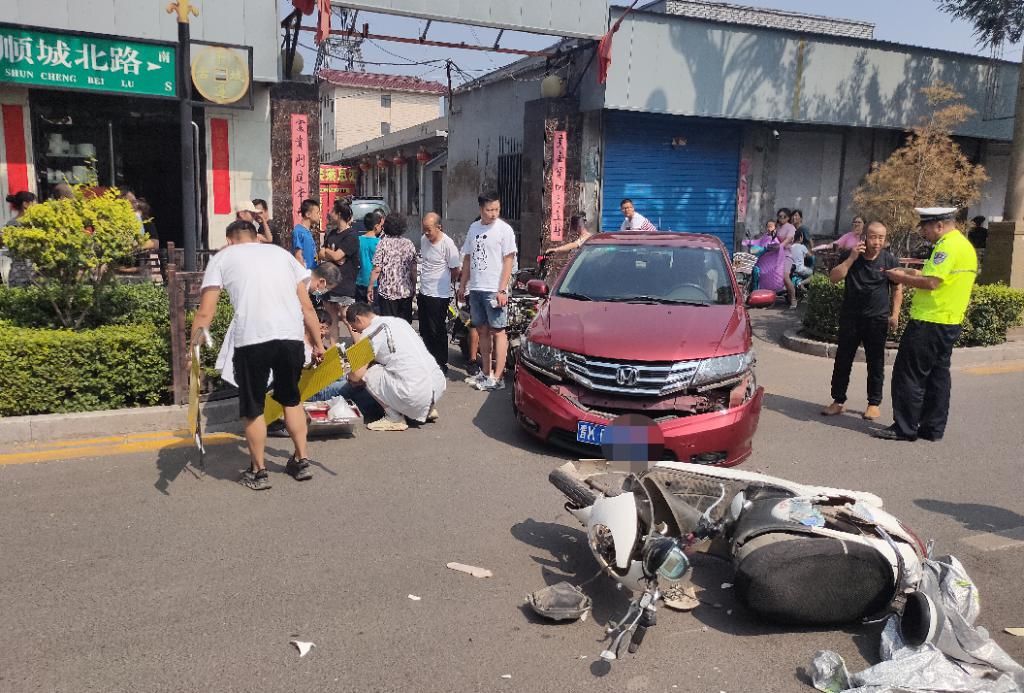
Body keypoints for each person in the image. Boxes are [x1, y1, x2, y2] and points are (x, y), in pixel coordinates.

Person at [191, 219, 325, 490]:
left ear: (230, 240)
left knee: (253, 407)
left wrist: (192, 350)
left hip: (252, 339)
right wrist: (319, 344)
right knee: (291, 399)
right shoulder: (282, 254)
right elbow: (307, 307)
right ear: (256, 237)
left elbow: (206, 312)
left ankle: (258, 471)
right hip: (290, 337)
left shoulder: (223, 257)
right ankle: (302, 461)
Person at [873, 207, 978, 442]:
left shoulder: (946, 247)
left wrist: (899, 278)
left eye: (926, 228)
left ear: (939, 225)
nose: (923, 233)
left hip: (929, 321)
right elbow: (937, 276)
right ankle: (932, 428)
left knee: (909, 374)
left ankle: (905, 427)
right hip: (949, 322)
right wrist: (910, 271)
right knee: (937, 376)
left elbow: (931, 283)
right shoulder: (962, 245)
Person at [821, 221, 904, 421]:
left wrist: (895, 315)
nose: (877, 242)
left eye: (881, 238)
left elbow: (897, 288)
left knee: (876, 362)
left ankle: (873, 403)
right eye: (873, 237)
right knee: (843, 360)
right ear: (865, 237)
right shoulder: (850, 256)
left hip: (877, 319)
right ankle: (838, 401)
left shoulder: (889, 260)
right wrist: (851, 258)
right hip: (851, 318)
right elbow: (834, 278)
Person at [340, 302, 446, 431]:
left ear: (358, 319)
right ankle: (426, 409)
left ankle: (394, 418)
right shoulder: (398, 322)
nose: (357, 331)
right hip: (437, 387)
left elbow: (357, 375)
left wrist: (349, 377)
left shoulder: (370, 333)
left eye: (355, 328)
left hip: (414, 392)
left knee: (369, 372)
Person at [458, 192, 518, 392]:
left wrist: (502, 289)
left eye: (496, 209)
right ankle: (486, 373)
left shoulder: (504, 230)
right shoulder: (473, 228)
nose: (493, 213)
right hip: (476, 288)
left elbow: (508, 261)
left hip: (494, 289)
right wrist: (463, 285)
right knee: (482, 330)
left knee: (498, 331)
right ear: (481, 209)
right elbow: (468, 258)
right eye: (489, 210)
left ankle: (498, 377)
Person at [417, 212, 462, 373]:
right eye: (424, 229)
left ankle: (441, 362)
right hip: (424, 291)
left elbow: (455, 270)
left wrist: (447, 284)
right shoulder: (424, 240)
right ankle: (428, 360)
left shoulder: (448, 244)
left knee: (437, 329)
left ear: (439, 227)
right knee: (425, 329)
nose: (426, 233)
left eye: (429, 229)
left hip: (439, 295)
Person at [368, 213, 417, 322]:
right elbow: (413, 269)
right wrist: (413, 286)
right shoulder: (409, 244)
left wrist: (370, 287)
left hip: (387, 292)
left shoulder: (382, 243)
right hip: (405, 291)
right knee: (404, 326)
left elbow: (377, 269)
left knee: (389, 325)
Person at [320, 200, 361, 324]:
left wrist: (330, 253)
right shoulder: (332, 233)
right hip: (329, 284)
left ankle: (361, 337)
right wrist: (331, 254)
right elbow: (321, 253)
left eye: (332, 211)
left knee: (346, 317)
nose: (330, 213)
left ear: (339, 214)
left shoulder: (351, 236)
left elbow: (337, 256)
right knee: (331, 319)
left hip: (344, 284)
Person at [356, 211, 384, 304]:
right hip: (374, 282)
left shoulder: (358, 240)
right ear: (376, 226)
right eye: (381, 226)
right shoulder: (379, 243)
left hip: (359, 280)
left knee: (360, 309)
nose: (381, 228)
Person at [775, 208, 798, 308]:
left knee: (785, 277)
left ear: (788, 218)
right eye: (779, 216)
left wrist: (780, 246)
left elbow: (788, 239)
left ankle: (793, 299)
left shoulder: (791, 227)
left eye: (784, 216)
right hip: (777, 255)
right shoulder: (778, 227)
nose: (781, 218)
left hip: (787, 255)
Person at [292, 199, 321, 270]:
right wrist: (304, 273)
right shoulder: (298, 231)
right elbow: (298, 255)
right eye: (317, 213)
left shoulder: (307, 231)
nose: (319, 216)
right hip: (306, 273)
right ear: (308, 214)